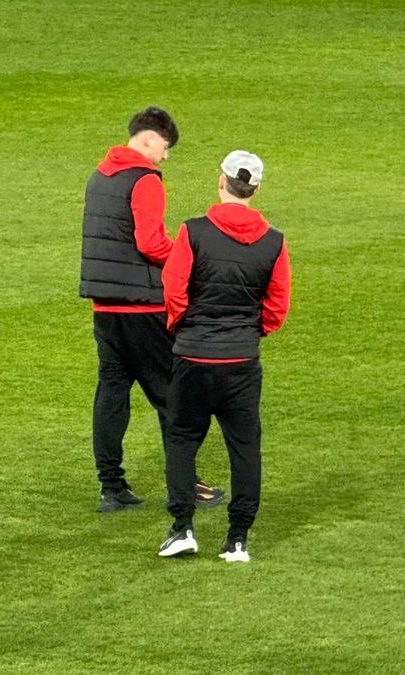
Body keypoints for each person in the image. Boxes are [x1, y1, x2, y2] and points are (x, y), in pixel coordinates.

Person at [79, 107, 224, 513]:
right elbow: (150, 242)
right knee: (172, 397)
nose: (165, 156)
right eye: (165, 147)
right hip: (143, 308)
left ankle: (111, 488)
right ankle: (186, 484)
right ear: (149, 140)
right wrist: (188, 256)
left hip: (105, 308)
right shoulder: (144, 179)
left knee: (111, 394)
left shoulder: (99, 176)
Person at [156, 151, 291, 563]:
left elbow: (173, 289)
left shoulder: (193, 232)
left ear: (221, 182)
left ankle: (182, 528)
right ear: (256, 190)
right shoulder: (274, 242)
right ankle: (237, 538)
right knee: (245, 447)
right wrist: (249, 334)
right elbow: (277, 306)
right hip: (241, 362)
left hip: (194, 358)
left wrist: (186, 329)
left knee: (181, 440)